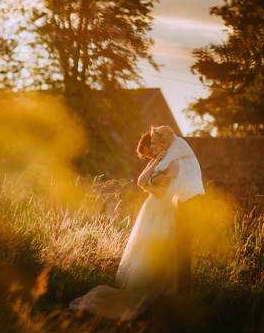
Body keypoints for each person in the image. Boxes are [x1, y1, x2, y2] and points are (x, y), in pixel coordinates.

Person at [68, 131, 181, 321]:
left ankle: (160, 291)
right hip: (153, 209)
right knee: (145, 247)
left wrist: (149, 185)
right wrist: (151, 174)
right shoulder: (159, 161)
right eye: (148, 156)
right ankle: (147, 289)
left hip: (163, 209)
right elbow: (140, 181)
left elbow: (158, 191)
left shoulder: (173, 161)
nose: (151, 156)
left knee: (159, 248)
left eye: (151, 152)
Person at [144, 125, 206, 293]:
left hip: (193, 199)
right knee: (181, 245)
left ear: (164, 140)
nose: (153, 147)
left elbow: (160, 167)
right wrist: (153, 180)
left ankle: (185, 289)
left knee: (183, 244)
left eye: (154, 142)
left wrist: (151, 180)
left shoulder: (178, 145)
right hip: (183, 199)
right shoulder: (175, 149)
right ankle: (182, 288)